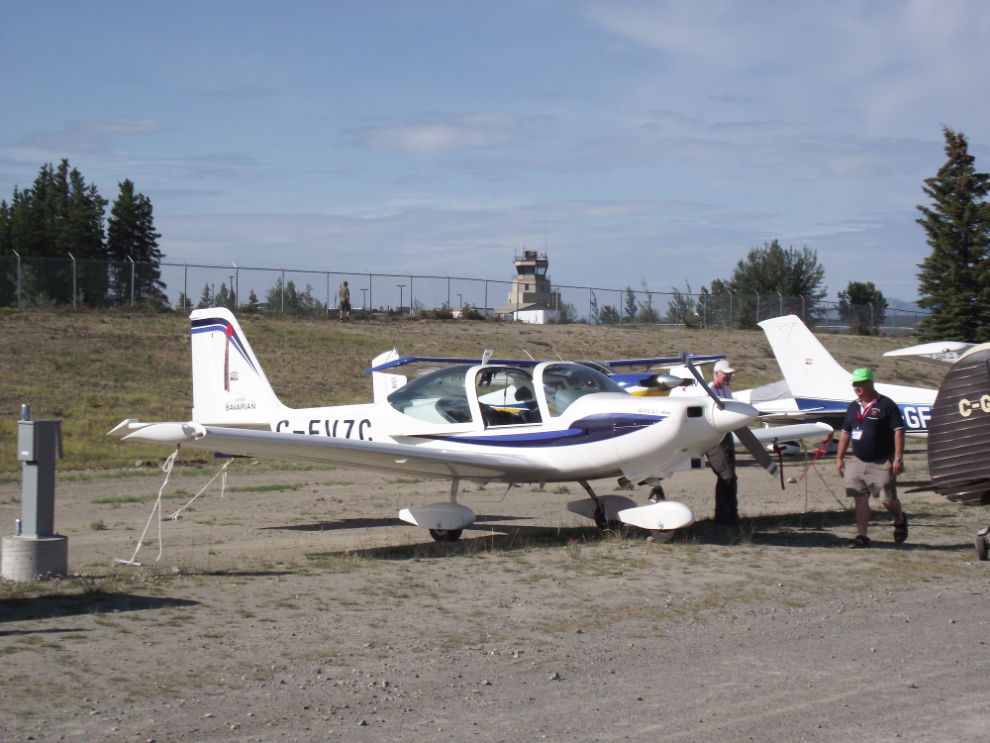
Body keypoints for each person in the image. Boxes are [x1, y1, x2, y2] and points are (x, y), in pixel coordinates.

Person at [835, 368, 907, 548]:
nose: (856, 387)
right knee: (859, 497)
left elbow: (899, 431)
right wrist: (840, 458)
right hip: (857, 460)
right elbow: (845, 433)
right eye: (854, 384)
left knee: (887, 500)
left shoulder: (886, 405)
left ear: (870, 383)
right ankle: (862, 536)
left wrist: (898, 458)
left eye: (860, 383)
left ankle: (899, 518)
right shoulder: (853, 406)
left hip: (882, 461)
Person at [705, 359, 740, 525]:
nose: (728, 378)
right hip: (714, 438)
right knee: (727, 476)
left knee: (729, 477)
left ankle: (725, 515)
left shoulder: (727, 392)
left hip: (726, 436)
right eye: (726, 375)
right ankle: (730, 515)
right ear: (716, 373)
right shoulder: (707, 391)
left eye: (730, 375)